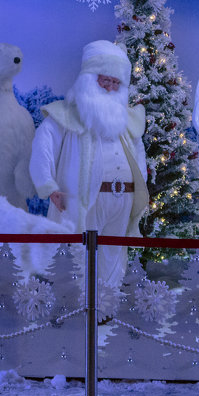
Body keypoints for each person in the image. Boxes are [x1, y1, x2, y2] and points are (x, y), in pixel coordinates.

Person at [29, 40, 149, 294]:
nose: (110, 88)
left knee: (114, 252)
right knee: (79, 252)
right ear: (89, 78)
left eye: (116, 83)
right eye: (105, 80)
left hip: (122, 198)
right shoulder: (66, 115)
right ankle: (79, 305)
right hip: (81, 200)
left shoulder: (126, 120)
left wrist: (142, 182)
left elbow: (138, 152)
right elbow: (43, 146)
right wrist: (49, 186)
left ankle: (107, 304)